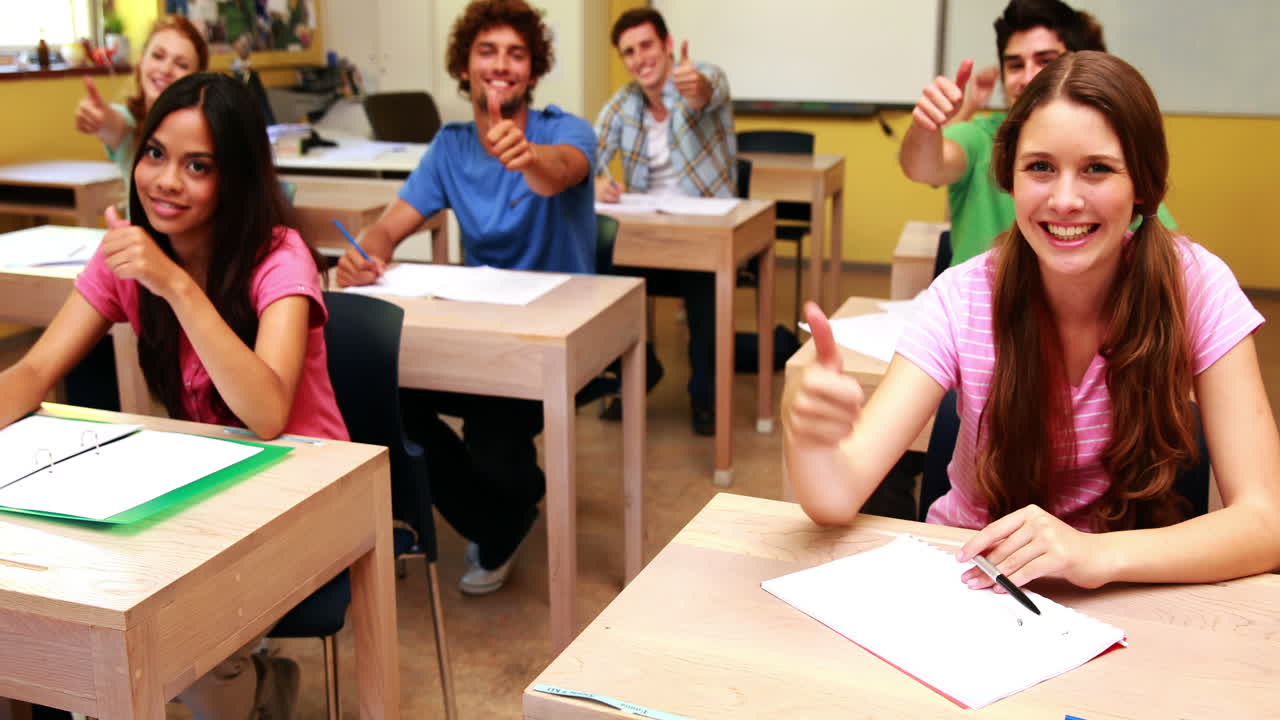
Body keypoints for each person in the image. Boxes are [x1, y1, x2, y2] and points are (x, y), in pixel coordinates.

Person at [786, 51, 1280, 592]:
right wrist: (812, 444)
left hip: (1128, 592)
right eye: (1040, 167)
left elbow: (1266, 522)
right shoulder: (962, 297)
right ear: (1011, 178)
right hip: (971, 591)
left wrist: (1094, 554)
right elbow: (835, 497)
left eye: (1097, 168)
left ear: (1141, 183)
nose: (1064, 200)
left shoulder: (1197, 286)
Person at [5, 72, 347, 719]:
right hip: (210, 488)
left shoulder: (280, 256)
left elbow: (269, 413)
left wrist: (175, 286)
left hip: (311, 491)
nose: (165, 181)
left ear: (236, 178)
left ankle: (248, 693)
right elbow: (36, 367)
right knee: (69, 592)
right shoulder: (129, 257)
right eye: (155, 153)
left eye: (198, 166)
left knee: (184, 629)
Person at [336, 0, 595, 595]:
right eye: (487, 51)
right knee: (376, 392)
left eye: (516, 54)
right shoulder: (450, 147)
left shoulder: (564, 131)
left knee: (494, 430)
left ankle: (506, 501)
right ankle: (503, 514)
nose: (501, 64)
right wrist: (367, 251)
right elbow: (390, 224)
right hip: (478, 328)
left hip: (554, 337)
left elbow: (562, 171)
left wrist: (528, 157)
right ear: (465, 66)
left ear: (532, 71)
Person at [899, 0, 1175, 269]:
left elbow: (1165, 242)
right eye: (1015, 65)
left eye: (1045, 61)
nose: (1028, 77)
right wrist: (925, 127)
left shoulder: (1115, 145)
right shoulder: (981, 137)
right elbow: (924, 167)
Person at [593, 7, 736, 436]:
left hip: (703, 236)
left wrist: (696, 88)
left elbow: (707, 91)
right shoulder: (623, 103)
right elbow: (587, 158)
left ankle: (705, 394)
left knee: (704, 287)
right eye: (629, 52)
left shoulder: (701, 76)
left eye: (647, 46)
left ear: (667, 45)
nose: (640, 59)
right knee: (596, 267)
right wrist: (595, 181)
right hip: (647, 235)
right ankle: (639, 368)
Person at [75, 15, 209, 192]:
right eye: (158, 56)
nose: (165, 69)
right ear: (141, 60)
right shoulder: (129, 125)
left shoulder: (207, 132)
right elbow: (114, 124)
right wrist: (101, 120)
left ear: (197, 78)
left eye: (181, 65)